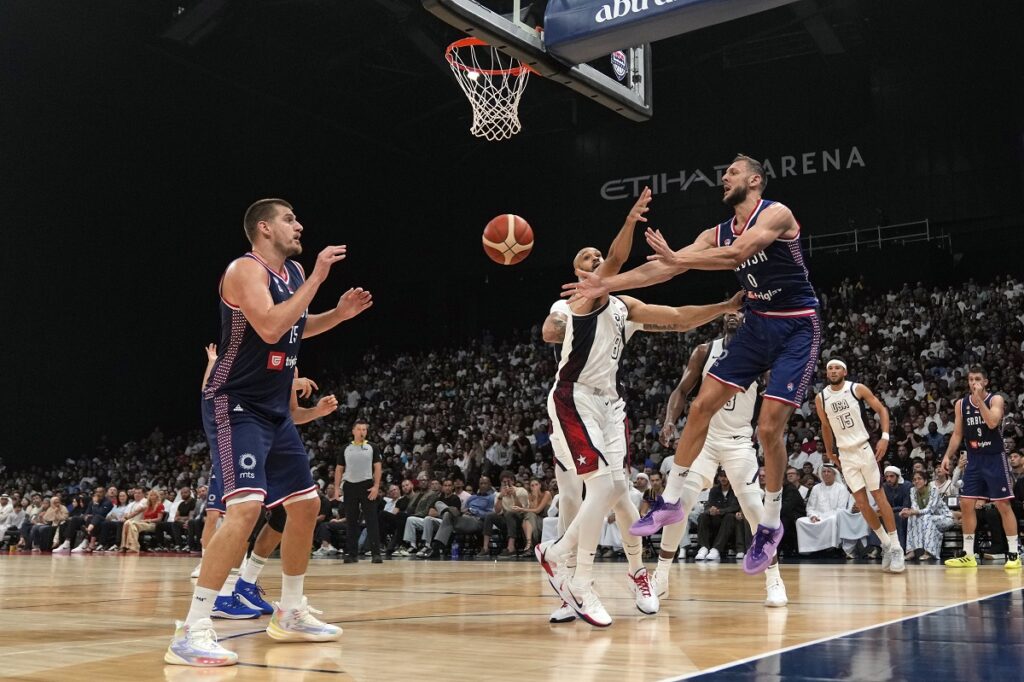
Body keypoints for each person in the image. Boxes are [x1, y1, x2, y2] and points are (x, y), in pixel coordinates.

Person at [566, 155, 821, 576]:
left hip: (796, 326)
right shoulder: (714, 232)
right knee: (701, 405)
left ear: (755, 180)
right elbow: (660, 268)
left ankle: (770, 524)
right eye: (725, 173)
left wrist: (679, 259)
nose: (724, 178)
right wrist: (607, 283)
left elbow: (736, 254)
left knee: (769, 429)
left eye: (733, 173)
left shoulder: (776, 214)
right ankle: (670, 501)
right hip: (757, 325)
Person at [166, 197, 371, 667]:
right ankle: (193, 628)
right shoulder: (245, 270)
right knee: (245, 509)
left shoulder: (292, 276)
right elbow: (272, 326)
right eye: (289, 219)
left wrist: (337, 315)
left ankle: (292, 612)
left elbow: (297, 326)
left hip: (274, 407)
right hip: (234, 403)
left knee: (305, 504)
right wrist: (319, 278)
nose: (299, 226)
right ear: (263, 228)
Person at [538, 189, 744, 626]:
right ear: (575, 271)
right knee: (595, 490)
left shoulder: (623, 305)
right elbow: (605, 274)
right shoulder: (577, 298)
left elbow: (678, 317)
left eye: (597, 255)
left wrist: (723, 307)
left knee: (617, 491)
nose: (596, 261)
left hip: (610, 405)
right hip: (575, 397)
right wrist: (629, 222)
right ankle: (574, 577)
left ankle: (576, 560)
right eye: (587, 258)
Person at [652, 312, 788, 608]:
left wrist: (772, 429)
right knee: (679, 504)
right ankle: (660, 575)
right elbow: (681, 390)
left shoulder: (761, 352)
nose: (733, 316)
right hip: (704, 437)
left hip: (739, 440)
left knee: (753, 506)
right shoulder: (704, 350)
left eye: (739, 313)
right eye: (729, 312)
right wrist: (669, 421)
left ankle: (774, 579)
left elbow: (776, 396)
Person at [815, 358, 905, 573]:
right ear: (827, 373)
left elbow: (881, 410)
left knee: (879, 496)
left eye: (837, 367)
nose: (833, 370)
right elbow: (825, 426)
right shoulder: (821, 398)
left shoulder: (856, 388)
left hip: (864, 448)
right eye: (830, 368)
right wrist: (829, 451)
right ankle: (885, 543)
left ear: (844, 371)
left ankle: (897, 547)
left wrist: (884, 437)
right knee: (862, 504)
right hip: (845, 455)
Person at [941, 366, 1020, 569]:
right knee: (966, 504)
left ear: (985, 382)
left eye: (977, 379)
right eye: (970, 379)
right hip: (974, 459)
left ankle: (1013, 554)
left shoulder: (996, 400)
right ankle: (968, 554)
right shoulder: (960, 404)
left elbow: (992, 423)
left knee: (1003, 505)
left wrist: (979, 402)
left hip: (994, 457)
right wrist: (947, 456)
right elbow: (958, 434)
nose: (973, 382)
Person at [332, 418, 383, 564]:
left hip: (367, 485)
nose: (362, 432)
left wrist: (376, 486)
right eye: (359, 429)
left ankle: (376, 554)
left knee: (372, 520)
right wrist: (337, 488)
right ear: (353, 431)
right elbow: (339, 469)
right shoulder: (345, 448)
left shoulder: (373, 447)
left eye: (364, 429)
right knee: (351, 522)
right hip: (349, 486)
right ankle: (352, 554)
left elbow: (378, 467)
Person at [795, 465, 852, 554]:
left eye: (828, 471)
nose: (826, 474)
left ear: (834, 474)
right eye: (823, 472)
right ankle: (808, 549)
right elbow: (810, 507)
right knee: (800, 521)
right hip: (817, 516)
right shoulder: (816, 488)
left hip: (833, 516)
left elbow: (841, 509)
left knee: (832, 520)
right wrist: (813, 516)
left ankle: (831, 549)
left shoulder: (841, 488)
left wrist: (825, 517)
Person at [903, 471, 954, 561]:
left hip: (944, 518)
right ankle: (911, 551)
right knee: (912, 517)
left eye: (919, 479)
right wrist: (908, 511)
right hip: (927, 519)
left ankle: (929, 552)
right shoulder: (913, 490)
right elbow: (915, 508)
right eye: (914, 480)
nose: (916, 481)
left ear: (925, 481)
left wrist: (914, 511)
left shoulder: (934, 489)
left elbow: (930, 510)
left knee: (926, 517)